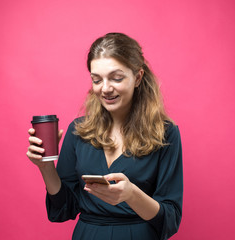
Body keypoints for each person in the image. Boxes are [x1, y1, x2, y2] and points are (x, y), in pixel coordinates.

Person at [27, 32, 183, 240]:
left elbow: (170, 219)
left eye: (116, 78)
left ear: (137, 77)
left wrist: (132, 195)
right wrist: (46, 167)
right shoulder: (78, 131)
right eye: (97, 80)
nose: (106, 89)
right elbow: (65, 208)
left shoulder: (166, 133)